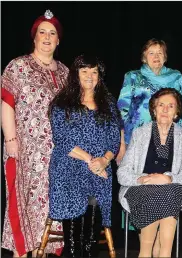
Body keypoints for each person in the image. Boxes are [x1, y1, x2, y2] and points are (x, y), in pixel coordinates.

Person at [1, 9, 68, 257]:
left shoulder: (65, 73)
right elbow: (6, 102)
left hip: (57, 155)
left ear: (58, 40)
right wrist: (10, 139)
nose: (47, 37)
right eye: (43, 32)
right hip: (25, 150)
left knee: (52, 208)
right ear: (34, 37)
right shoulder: (18, 66)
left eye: (52, 33)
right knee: (24, 206)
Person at [48, 55, 121, 257]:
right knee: (73, 242)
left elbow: (114, 140)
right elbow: (62, 140)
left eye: (94, 72)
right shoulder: (61, 103)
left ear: (100, 76)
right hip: (68, 167)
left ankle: (88, 253)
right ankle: (72, 253)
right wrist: (91, 160)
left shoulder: (108, 103)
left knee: (90, 238)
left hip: (98, 168)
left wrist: (104, 161)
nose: (90, 76)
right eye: (85, 71)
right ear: (76, 74)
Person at [117, 88, 182, 258]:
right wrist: (144, 179)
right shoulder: (139, 134)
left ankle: (161, 253)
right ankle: (149, 253)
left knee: (169, 192)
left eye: (171, 106)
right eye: (161, 105)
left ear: (177, 112)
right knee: (154, 194)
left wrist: (168, 178)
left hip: (171, 189)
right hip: (140, 189)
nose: (165, 109)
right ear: (154, 109)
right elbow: (122, 173)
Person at [117, 38, 182, 163]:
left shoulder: (176, 77)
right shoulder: (132, 77)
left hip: (168, 139)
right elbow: (121, 111)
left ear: (165, 57)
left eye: (160, 53)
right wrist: (121, 144)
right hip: (135, 139)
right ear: (144, 57)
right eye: (151, 53)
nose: (156, 56)